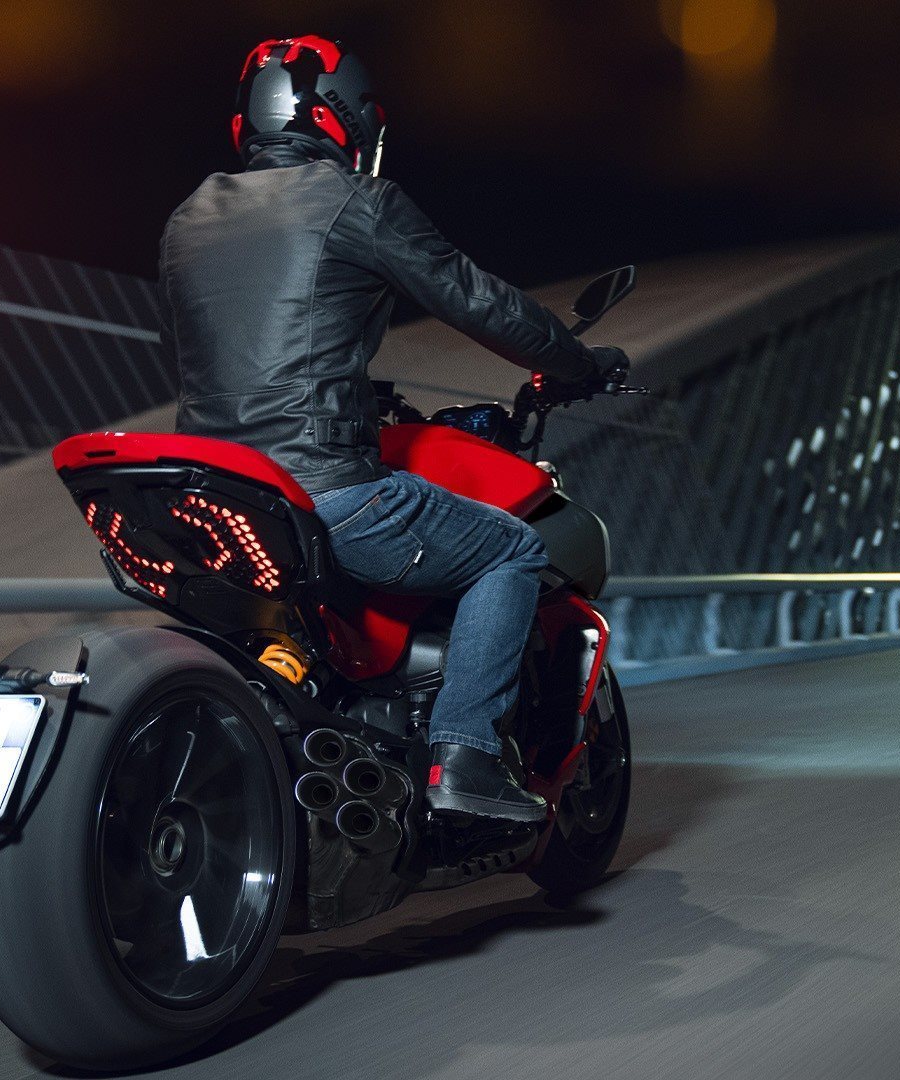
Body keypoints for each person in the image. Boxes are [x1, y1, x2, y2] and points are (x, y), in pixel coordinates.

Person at [159, 36, 629, 822]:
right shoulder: (353, 199)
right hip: (326, 495)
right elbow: (477, 300)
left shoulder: (188, 219)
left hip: (215, 499)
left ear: (248, 123)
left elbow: (192, 355)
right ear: (343, 119)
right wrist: (577, 363)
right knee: (513, 550)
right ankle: (465, 757)